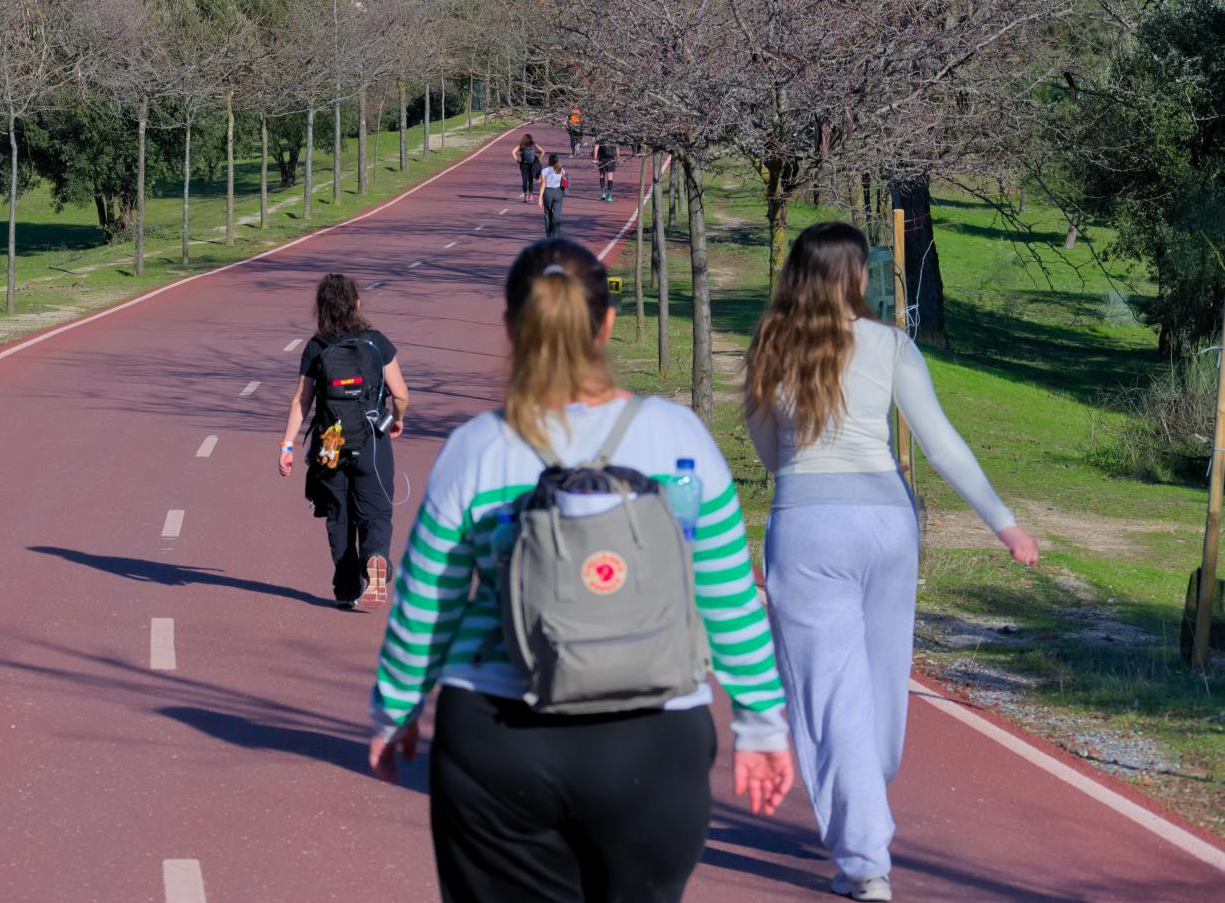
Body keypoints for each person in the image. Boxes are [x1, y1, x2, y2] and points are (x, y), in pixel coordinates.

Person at [370, 238, 794, 901]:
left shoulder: (479, 448)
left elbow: (428, 600)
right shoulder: (679, 437)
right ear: (607, 323)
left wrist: (396, 706)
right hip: (655, 736)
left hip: (499, 733)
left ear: (511, 326)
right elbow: (727, 598)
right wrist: (761, 722)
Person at [746, 222, 1038, 903]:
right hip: (886, 524)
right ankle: (866, 797)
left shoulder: (771, 345)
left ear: (796, 275)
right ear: (856, 277)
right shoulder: (891, 343)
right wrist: (1004, 522)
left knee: (830, 694)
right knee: (881, 679)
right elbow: (941, 444)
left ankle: (864, 861)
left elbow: (769, 453)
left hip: (809, 527)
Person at [281, 273, 410, 609]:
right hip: (372, 440)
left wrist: (287, 445)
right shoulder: (377, 343)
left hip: (331, 443)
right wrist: (396, 418)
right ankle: (376, 557)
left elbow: (301, 401)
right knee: (376, 511)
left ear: (322, 308)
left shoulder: (316, 347)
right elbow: (401, 394)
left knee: (339, 516)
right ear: (357, 303)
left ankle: (347, 588)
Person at [539, 153, 567, 236]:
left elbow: (542, 185)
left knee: (547, 213)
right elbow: (565, 183)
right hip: (558, 192)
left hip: (548, 192)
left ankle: (548, 235)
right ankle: (556, 235)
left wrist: (540, 198)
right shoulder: (561, 170)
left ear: (549, 161)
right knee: (557, 215)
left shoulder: (544, 171)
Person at [513, 133, 545, 203]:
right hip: (532, 164)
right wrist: (538, 160)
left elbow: (513, 152)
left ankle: (526, 196)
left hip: (523, 165)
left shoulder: (521, 145)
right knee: (531, 180)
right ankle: (530, 195)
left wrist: (518, 161)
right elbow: (543, 151)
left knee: (524, 180)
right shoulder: (533, 144)